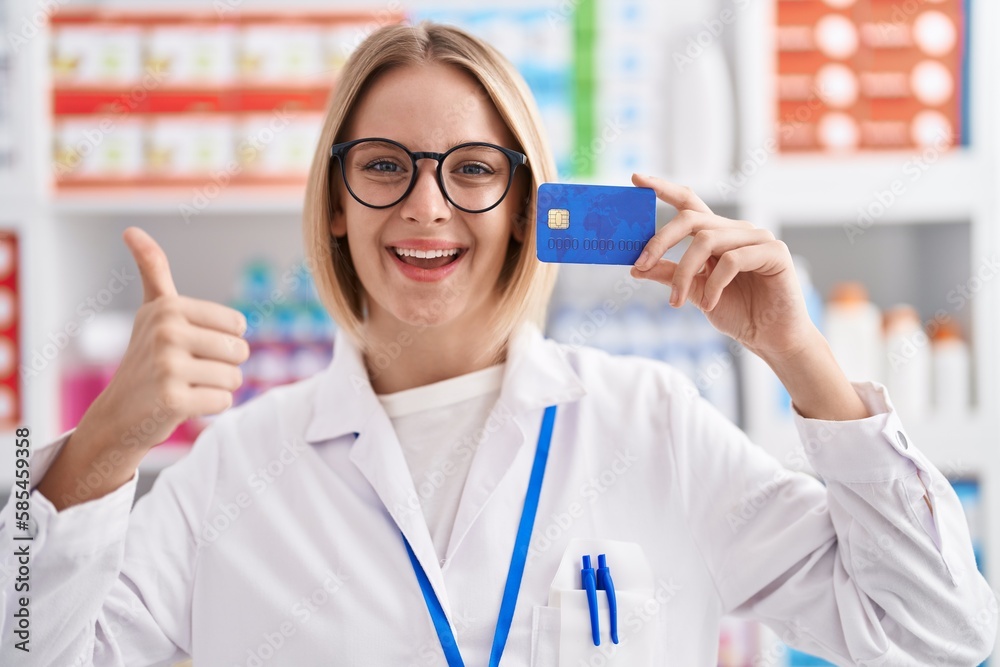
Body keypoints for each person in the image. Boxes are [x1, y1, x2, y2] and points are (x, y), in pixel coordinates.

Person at [1, 22, 995, 667]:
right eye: (384, 166)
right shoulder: (233, 472)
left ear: (526, 206)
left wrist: (800, 358)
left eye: (472, 169)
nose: (426, 206)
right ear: (336, 207)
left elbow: (939, 638)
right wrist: (102, 450)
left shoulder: (649, 424)